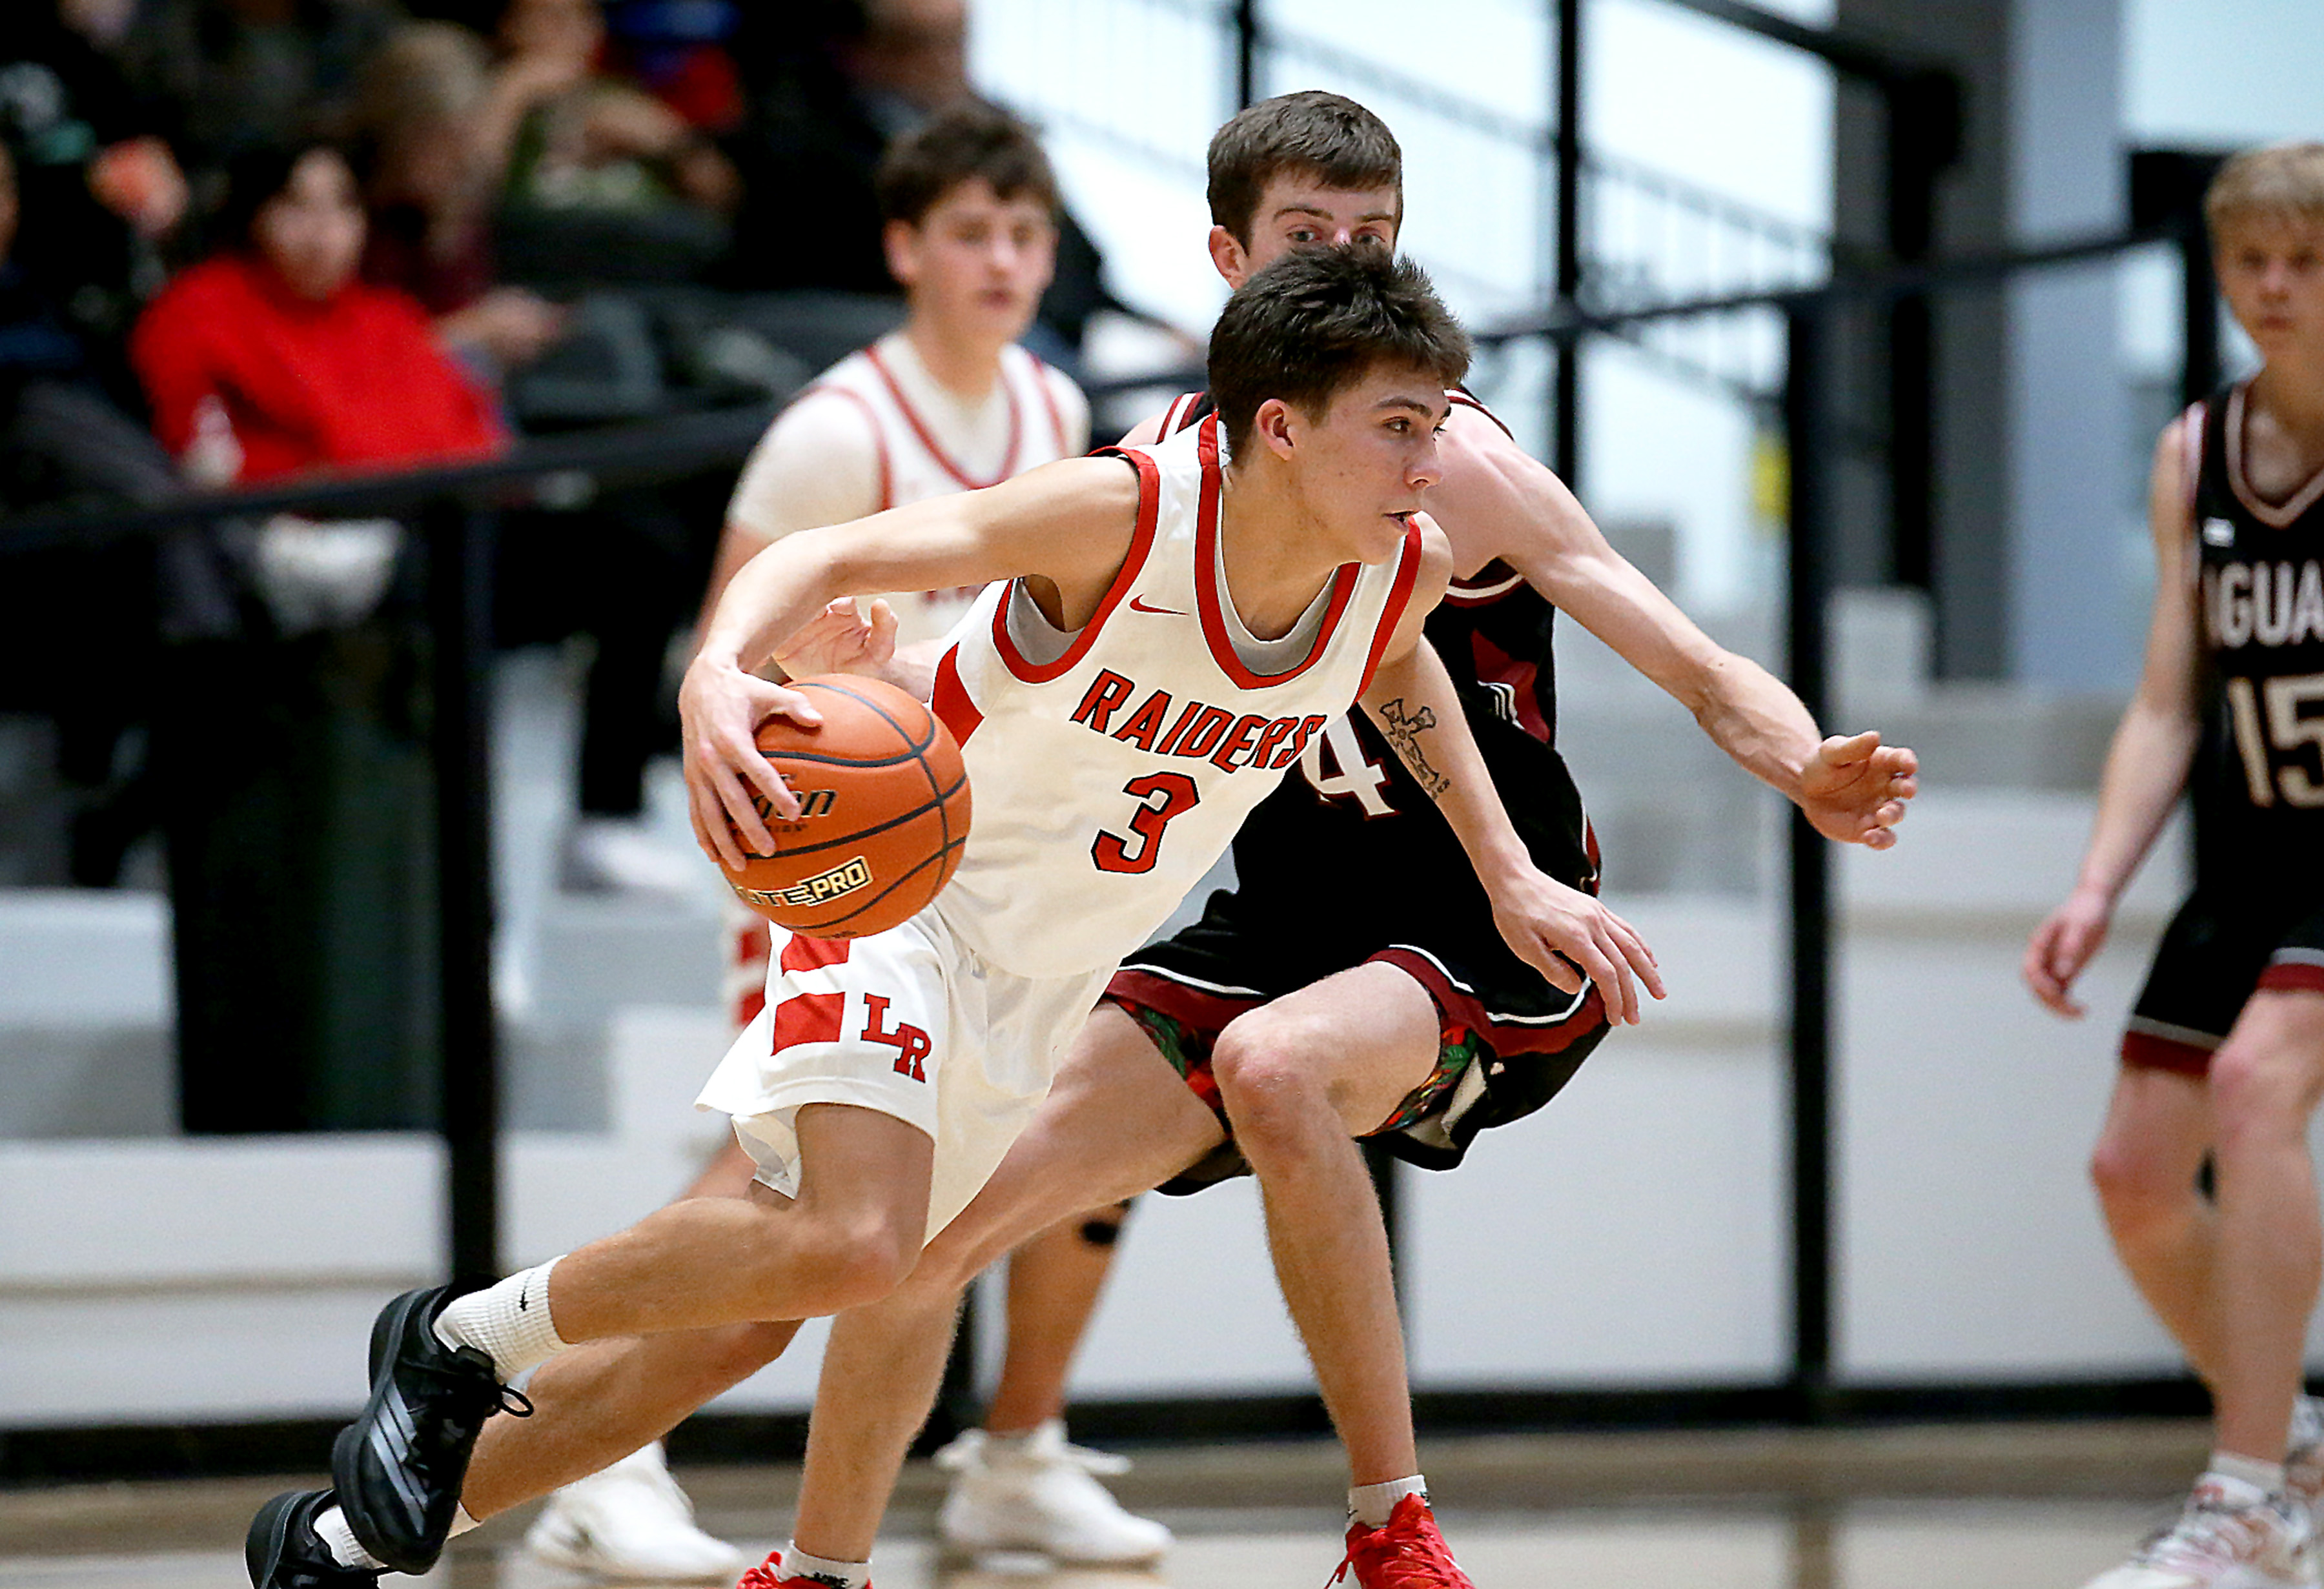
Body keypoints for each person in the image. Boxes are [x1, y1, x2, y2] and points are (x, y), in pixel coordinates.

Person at [244, 242, 1657, 1589]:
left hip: (1035, 984)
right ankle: (455, 1334)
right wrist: (715, 673)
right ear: (1281, 429)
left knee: (745, 1314)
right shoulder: (1129, 510)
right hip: (907, 899)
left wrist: (1508, 865)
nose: (1439, 462)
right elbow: (835, 554)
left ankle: (338, 1544)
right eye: (1404, 427)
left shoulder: (1396, 563)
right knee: (862, 1247)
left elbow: (1399, 669)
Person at [518, 100, 1161, 1579]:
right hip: (850, 856)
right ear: (903, 248)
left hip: (1007, 864)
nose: (1004, 260)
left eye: (1027, 234)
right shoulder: (835, 431)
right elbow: (725, 661)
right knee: (779, 1181)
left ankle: (1016, 1451)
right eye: (972, 233)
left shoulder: (1056, 416)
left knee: (1052, 1150)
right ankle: (602, 1455)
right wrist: (832, 688)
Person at [2025, 141, 2324, 1589]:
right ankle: (2301, 1441)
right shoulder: (2194, 451)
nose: (2271, 289)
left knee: (2264, 1088)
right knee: (2136, 1175)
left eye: (2305, 263)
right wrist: (2095, 882)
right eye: (2247, 263)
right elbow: (2167, 698)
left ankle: (2247, 1491)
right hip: (2253, 853)